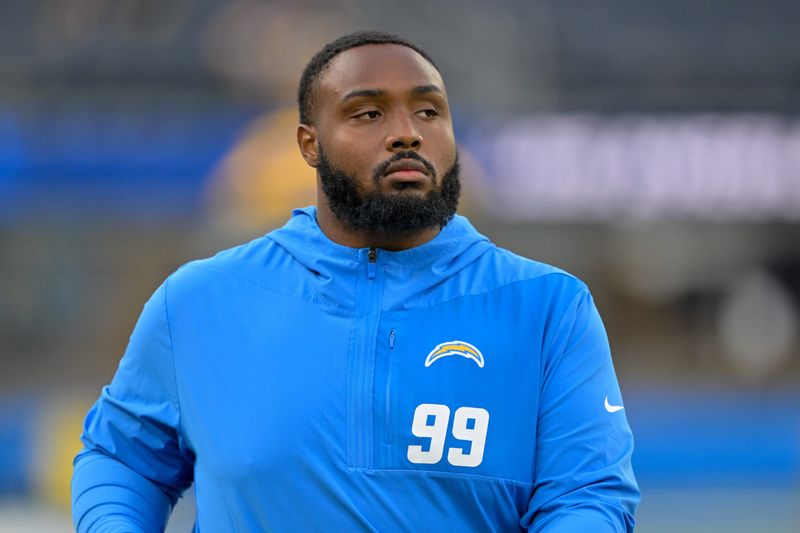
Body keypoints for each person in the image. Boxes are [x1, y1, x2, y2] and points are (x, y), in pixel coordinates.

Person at [72, 31, 639, 532]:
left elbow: (586, 493)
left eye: (429, 112)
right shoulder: (198, 301)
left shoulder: (547, 307)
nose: (406, 134)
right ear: (309, 144)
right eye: (368, 113)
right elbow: (123, 459)